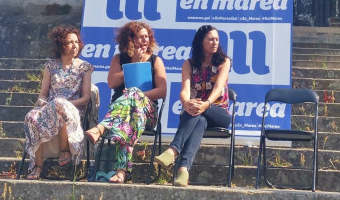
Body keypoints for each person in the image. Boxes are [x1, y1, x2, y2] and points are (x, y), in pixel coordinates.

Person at [84, 21, 167, 183]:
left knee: (133, 92)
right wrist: (132, 63)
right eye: (139, 37)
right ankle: (122, 171)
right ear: (129, 39)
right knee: (126, 125)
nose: (144, 40)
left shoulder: (155, 60)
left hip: (147, 114)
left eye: (146, 37)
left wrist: (136, 95)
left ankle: (101, 127)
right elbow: (112, 83)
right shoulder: (119, 59)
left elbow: (162, 91)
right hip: (122, 117)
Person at [153, 24, 231, 187]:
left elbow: (218, 88)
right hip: (197, 112)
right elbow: (184, 91)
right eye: (210, 39)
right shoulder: (189, 64)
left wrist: (206, 104)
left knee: (199, 111)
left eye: (217, 39)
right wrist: (186, 102)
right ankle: (183, 170)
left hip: (219, 112)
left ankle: (172, 151)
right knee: (199, 118)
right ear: (200, 42)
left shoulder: (224, 61)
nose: (215, 42)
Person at [23, 25, 93, 180]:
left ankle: (65, 150)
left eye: (77, 42)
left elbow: (86, 98)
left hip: (73, 109)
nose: (75, 45)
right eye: (70, 42)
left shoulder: (84, 67)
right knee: (31, 117)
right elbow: (42, 96)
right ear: (61, 45)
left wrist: (63, 104)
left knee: (60, 106)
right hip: (50, 108)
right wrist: (47, 105)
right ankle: (37, 166)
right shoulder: (50, 66)